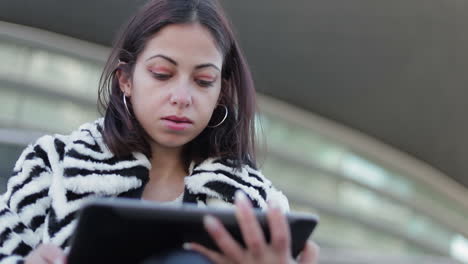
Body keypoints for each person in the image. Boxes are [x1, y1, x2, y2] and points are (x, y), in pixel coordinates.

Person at [0, 0, 319, 263]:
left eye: (204, 81)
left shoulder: (256, 203)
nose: (182, 97)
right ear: (125, 79)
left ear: (221, 91)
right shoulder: (52, 164)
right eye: (162, 74)